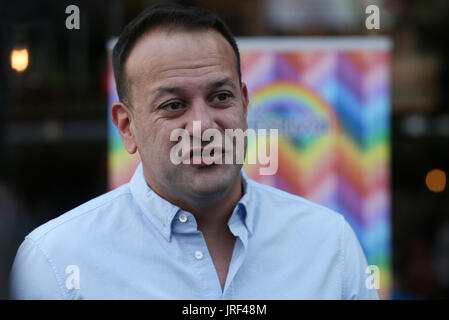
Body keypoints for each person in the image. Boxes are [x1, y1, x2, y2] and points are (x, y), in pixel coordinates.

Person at [10, 4, 378, 300]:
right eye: (173, 105)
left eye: (220, 97)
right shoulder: (56, 260)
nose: (202, 125)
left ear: (244, 106)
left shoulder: (330, 244)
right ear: (127, 126)